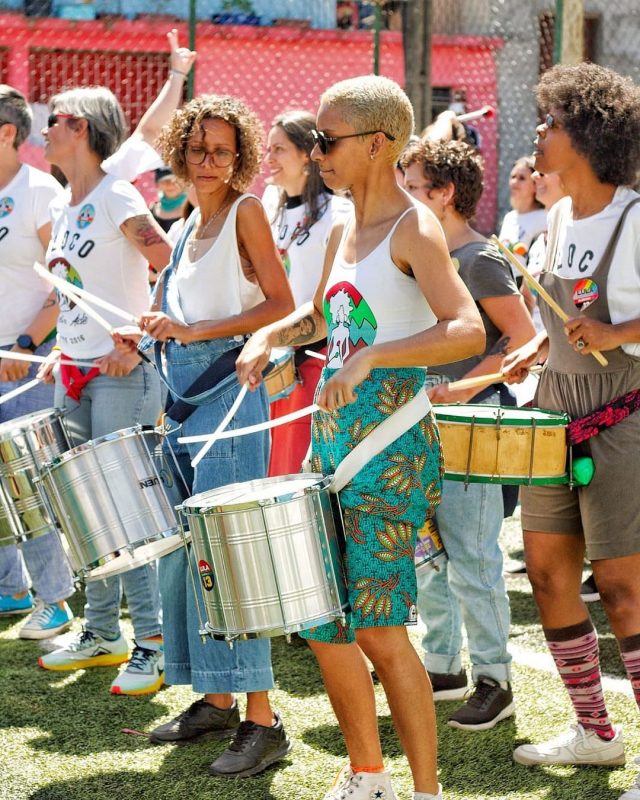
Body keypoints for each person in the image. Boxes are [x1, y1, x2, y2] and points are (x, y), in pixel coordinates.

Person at [237, 75, 485, 800]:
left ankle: (426, 792)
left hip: (391, 455)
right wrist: (272, 339)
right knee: (322, 622)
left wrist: (377, 357)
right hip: (333, 445)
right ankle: (367, 777)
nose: (316, 154)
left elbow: (465, 328)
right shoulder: (344, 224)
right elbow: (325, 318)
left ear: (377, 144)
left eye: (327, 139)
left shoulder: (415, 226)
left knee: (378, 630)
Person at [116, 93, 294, 778]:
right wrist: (153, 325)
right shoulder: (190, 221)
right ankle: (215, 698)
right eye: (199, 148)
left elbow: (280, 307)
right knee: (183, 555)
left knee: (231, 555)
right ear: (182, 153)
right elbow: (184, 310)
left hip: (230, 398)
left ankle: (264, 720)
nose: (210, 160)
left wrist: (191, 333)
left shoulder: (248, 211)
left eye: (223, 150)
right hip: (183, 399)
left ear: (240, 154)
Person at [502, 63, 640, 800]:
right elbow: (559, 325)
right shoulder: (554, 218)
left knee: (622, 587)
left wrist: (617, 329)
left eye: (550, 121)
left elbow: (614, 332)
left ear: (586, 133)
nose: (539, 135)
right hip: (553, 410)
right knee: (550, 574)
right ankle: (594, 732)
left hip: (625, 414)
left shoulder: (636, 217)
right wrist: (535, 348)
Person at [36, 86, 172, 696]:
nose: (44, 131)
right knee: (87, 512)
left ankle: (152, 641)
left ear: (83, 129)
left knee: (125, 510)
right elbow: (73, 292)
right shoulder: (69, 204)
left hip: (123, 373)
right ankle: (101, 631)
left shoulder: (118, 195)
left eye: (55, 122)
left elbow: (169, 261)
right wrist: (62, 351)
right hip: (76, 372)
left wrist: (138, 342)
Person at [402, 138, 536, 729]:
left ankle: (493, 679)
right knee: (428, 553)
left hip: (473, 426)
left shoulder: (478, 258)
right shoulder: (420, 252)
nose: (401, 196)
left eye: (411, 184)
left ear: (443, 192)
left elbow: (524, 339)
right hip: (421, 425)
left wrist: (460, 388)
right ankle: (443, 664)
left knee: (475, 561)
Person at [0, 85, 76, 639]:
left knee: (29, 484)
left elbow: (66, 283)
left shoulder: (40, 193)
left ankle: (56, 599)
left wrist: (26, 345)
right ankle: (11, 588)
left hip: (22, 362)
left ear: (8, 134)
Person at [262, 109, 351, 475]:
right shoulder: (270, 207)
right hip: (274, 360)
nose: (269, 160)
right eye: (268, 150)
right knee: (272, 464)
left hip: (315, 356)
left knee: (299, 466)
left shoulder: (338, 212)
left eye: (278, 150)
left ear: (305, 154)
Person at [498, 155, 547, 269]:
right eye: (513, 177)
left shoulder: (544, 218)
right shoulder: (509, 217)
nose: (514, 182)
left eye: (522, 178)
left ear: (535, 185)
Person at [149, 166, 188, 233]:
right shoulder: (153, 209)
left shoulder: (193, 207)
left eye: (174, 180)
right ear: (158, 183)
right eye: (164, 180)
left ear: (183, 182)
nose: (169, 184)